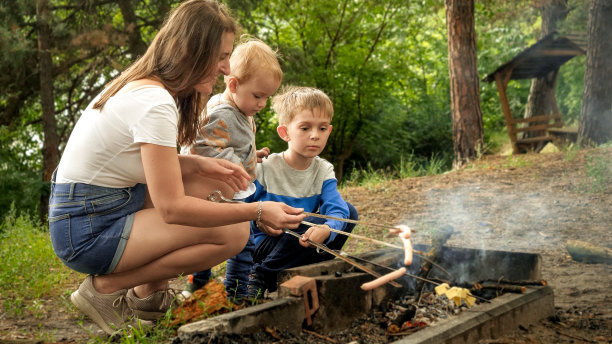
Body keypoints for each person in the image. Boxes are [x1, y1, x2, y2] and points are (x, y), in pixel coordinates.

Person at [47, 0, 306, 335]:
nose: (227, 68)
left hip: (92, 211)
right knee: (235, 232)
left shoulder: (146, 88)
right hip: (86, 232)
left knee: (215, 184)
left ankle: (148, 297)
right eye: (221, 56)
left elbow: (133, 163)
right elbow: (171, 208)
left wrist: (197, 162)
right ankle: (106, 288)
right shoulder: (155, 103)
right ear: (192, 51)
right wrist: (257, 211)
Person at [228, 86, 359, 299]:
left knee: (349, 213)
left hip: (300, 241)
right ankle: (260, 275)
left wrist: (328, 228)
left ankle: (306, 269)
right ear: (285, 132)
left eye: (322, 128)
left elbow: (337, 209)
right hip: (265, 246)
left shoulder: (323, 170)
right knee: (300, 221)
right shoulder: (266, 168)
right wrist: (259, 219)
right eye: (305, 128)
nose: (315, 136)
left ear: (329, 131)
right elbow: (238, 209)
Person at [180, 38, 282, 296]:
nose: (262, 104)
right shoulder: (222, 113)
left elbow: (227, 144)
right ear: (233, 84)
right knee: (242, 242)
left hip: (227, 189)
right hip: (217, 192)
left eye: (267, 97)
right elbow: (200, 148)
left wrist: (251, 156)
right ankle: (236, 290)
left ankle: (199, 283)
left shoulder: (241, 109)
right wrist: (239, 164)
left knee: (213, 237)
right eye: (258, 96)